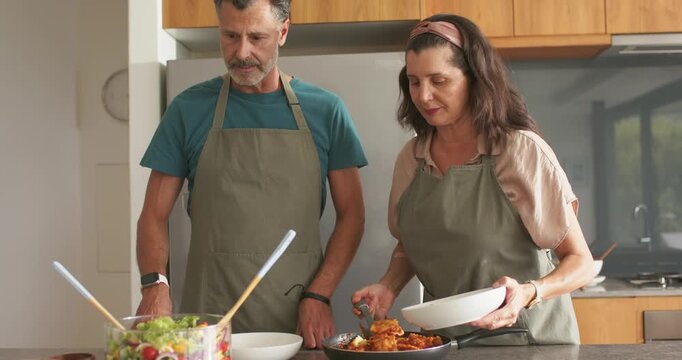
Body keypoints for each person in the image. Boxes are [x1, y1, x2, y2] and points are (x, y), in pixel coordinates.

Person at [135, 0, 367, 349]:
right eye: (230, 35)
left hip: (296, 320)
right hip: (207, 324)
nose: (241, 52)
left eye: (257, 37)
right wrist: (155, 286)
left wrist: (319, 295)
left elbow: (353, 216)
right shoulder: (187, 109)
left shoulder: (326, 111)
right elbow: (153, 215)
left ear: (283, 32)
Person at [351, 14, 594, 345]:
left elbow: (581, 262)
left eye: (439, 81)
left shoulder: (518, 151)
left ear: (474, 79)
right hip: (444, 345)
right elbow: (412, 243)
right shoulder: (412, 158)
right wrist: (388, 286)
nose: (423, 96)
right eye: (414, 81)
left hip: (528, 343)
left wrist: (528, 292)